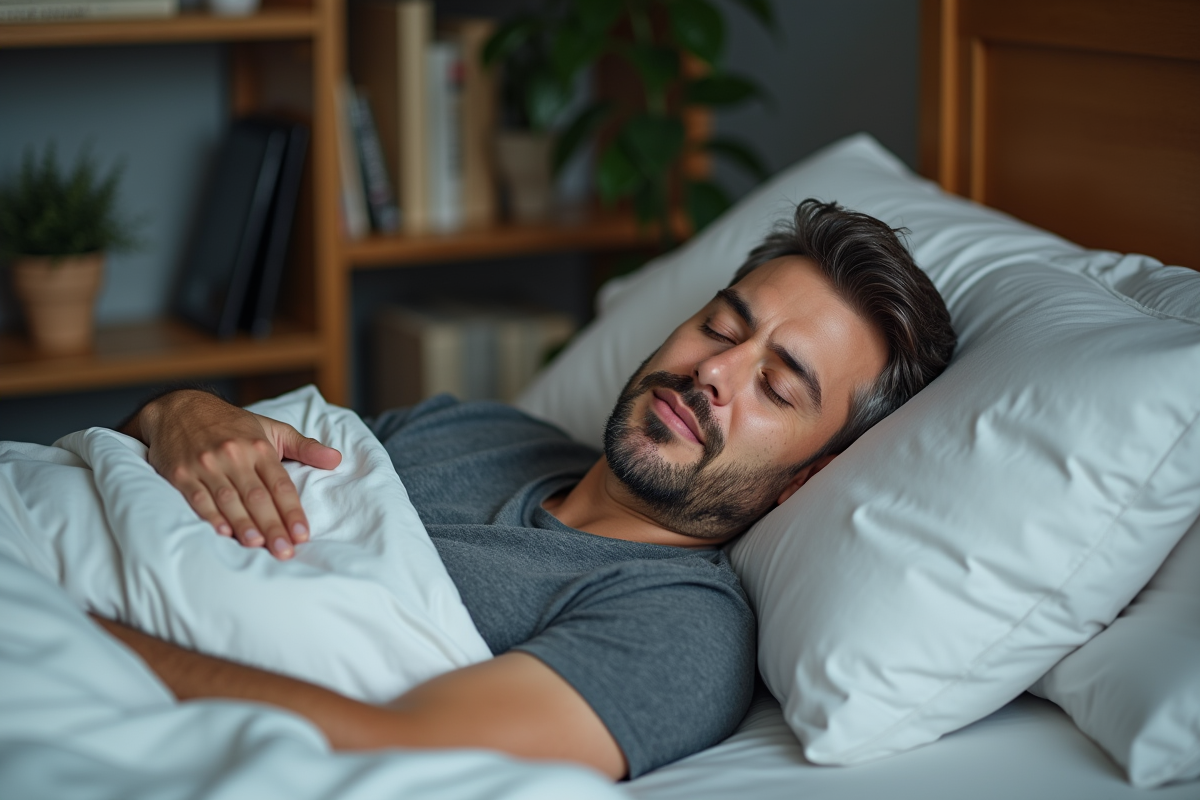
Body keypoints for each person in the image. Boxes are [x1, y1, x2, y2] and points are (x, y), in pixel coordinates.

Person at [95, 199, 956, 781]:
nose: (713, 371)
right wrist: (178, 409)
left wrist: (85, 636)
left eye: (776, 387)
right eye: (721, 327)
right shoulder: (476, 429)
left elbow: (406, 754)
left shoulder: (680, 627)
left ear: (804, 479)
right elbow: (191, 464)